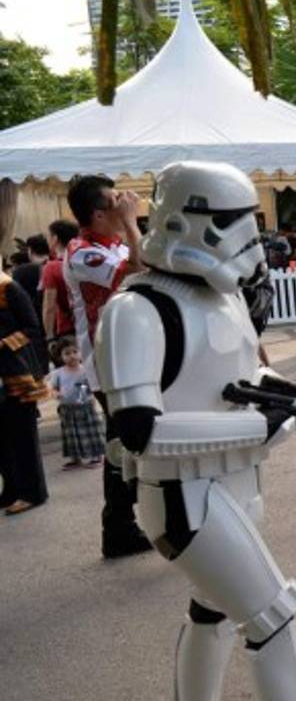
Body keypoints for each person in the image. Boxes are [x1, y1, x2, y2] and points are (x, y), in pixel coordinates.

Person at [95, 161, 296, 701]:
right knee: (273, 616)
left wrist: (288, 396)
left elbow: (237, 378)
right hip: (186, 500)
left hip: (236, 486)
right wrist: (264, 425)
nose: (249, 238)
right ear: (184, 221)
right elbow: (139, 428)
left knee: (214, 613)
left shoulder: (221, 299)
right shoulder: (135, 310)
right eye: (232, 221)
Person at [63, 174, 152, 559]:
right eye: (116, 200)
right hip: (108, 363)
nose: (124, 202)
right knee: (122, 444)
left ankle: (122, 525)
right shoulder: (83, 252)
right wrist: (133, 222)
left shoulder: (111, 243)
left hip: (129, 356)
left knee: (129, 442)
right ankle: (118, 528)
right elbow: (141, 265)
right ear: (99, 213)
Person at [0, 269, 50, 516]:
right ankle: (11, 490)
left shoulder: (9, 288)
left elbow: (32, 328)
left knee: (22, 436)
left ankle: (32, 492)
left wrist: (3, 342)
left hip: (17, 373)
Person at [49, 337, 105, 468]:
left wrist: (91, 396)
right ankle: (76, 458)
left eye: (75, 351)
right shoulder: (58, 373)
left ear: (80, 352)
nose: (72, 356)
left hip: (86, 407)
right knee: (72, 436)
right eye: (67, 353)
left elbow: (92, 386)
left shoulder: (85, 370)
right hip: (67, 409)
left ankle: (97, 456)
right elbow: (51, 388)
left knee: (91, 432)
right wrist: (56, 393)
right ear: (60, 356)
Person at [39, 219, 79, 348]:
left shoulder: (52, 267)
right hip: (91, 323)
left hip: (68, 329)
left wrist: (49, 337)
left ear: (55, 239)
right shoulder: (83, 261)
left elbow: (49, 307)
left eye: (48, 236)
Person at [12, 234, 49, 335]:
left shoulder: (21, 271)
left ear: (30, 251)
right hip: (55, 323)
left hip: (30, 325)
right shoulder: (59, 265)